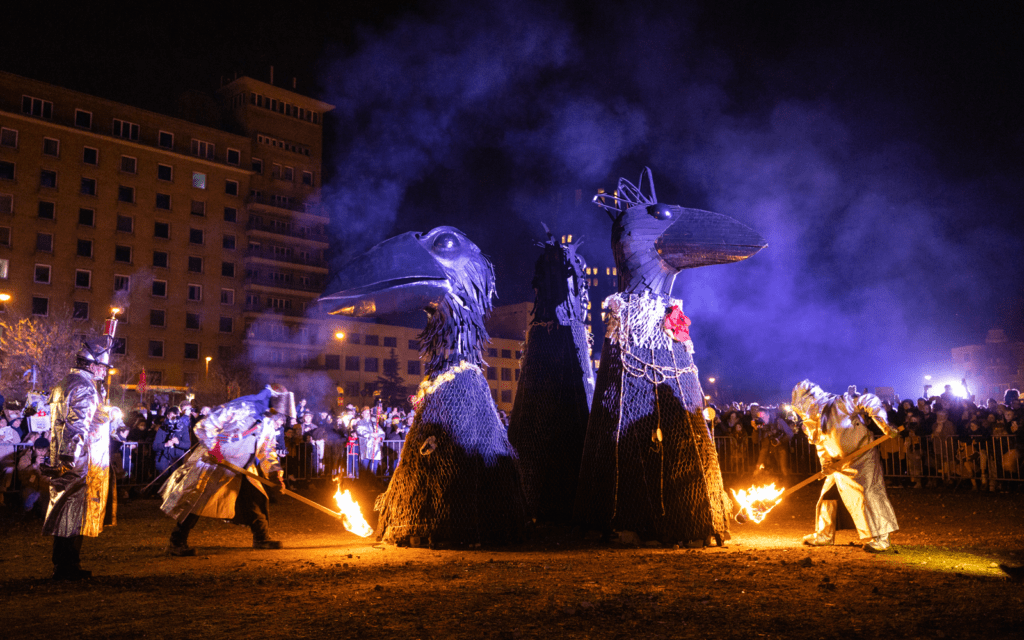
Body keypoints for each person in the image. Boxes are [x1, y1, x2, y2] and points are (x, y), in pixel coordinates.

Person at [159, 384, 295, 555]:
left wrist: (276, 476)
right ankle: (176, 542)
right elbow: (203, 427)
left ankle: (261, 537)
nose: (278, 414)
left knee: (257, 497)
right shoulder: (241, 408)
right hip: (218, 461)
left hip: (245, 465)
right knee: (196, 500)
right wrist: (214, 450)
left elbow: (267, 451)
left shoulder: (267, 422)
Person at [791, 380, 899, 553]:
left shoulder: (841, 403)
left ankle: (881, 538)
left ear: (812, 398)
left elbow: (869, 400)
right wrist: (826, 464)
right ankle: (824, 535)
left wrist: (884, 424)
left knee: (869, 494)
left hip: (862, 457)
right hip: (838, 464)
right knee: (827, 496)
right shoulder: (811, 421)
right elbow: (820, 444)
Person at [41, 335, 117, 579]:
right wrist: (69, 458)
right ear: (92, 365)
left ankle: (63, 564)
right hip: (80, 461)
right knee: (74, 515)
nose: (105, 371)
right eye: (103, 367)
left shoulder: (65, 383)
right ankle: (67, 566)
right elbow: (76, 426)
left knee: (64, 511)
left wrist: (103, 413)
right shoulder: (84, 387)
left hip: (65, 458)